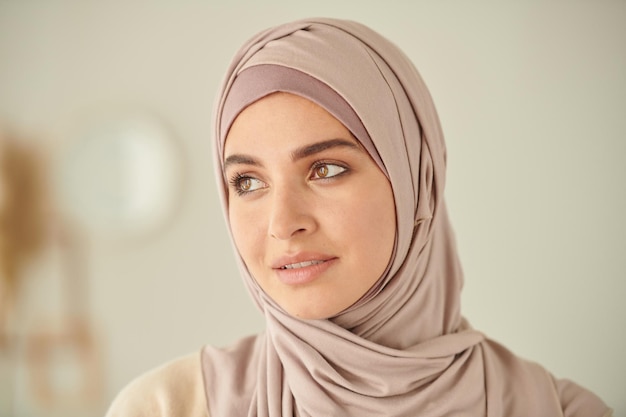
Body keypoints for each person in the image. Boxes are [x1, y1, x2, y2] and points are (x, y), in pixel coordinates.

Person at [105, 18, 612, 416]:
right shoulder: (167, 408)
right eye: (248, 182)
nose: (283, 223)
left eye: (325, 169)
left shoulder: (562, 411)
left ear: (414, 183)